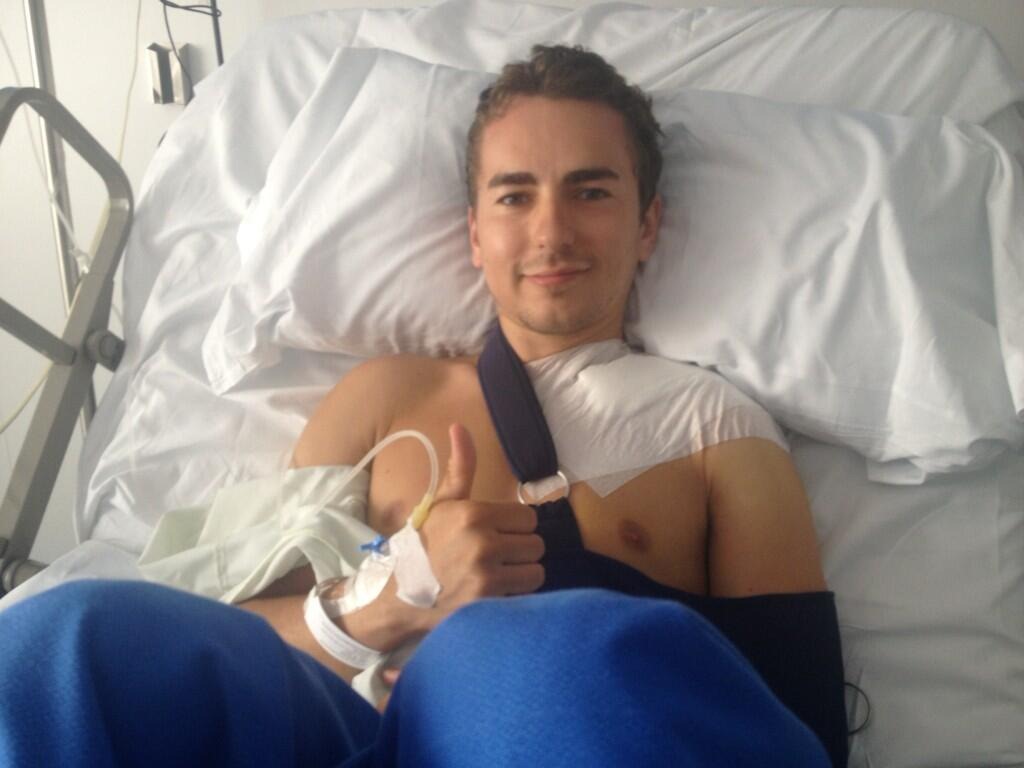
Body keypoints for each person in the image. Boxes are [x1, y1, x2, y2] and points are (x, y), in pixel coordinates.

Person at [0, 45, 846, 767]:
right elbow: (229, 628)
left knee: (545, 652)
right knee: (58, 642)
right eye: (514, 195)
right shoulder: (385, 398)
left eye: (591, 192)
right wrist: (391, 597)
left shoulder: (716, 429)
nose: (551, 232)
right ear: (475, 233)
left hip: (554, 729)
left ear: (648, 225)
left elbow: (794, 719)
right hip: (339, 731)